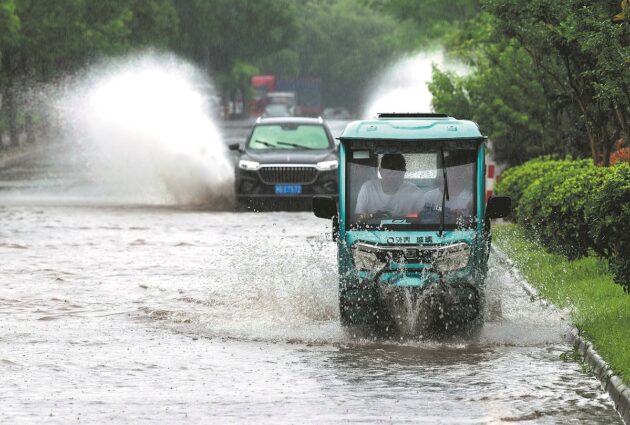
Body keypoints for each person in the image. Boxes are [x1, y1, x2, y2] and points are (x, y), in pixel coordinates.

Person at [355, 153, 425, 220]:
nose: (394, 176)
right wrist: (373, 216)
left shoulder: (415, 193)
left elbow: (420, 217)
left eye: (398, 173)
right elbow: (358, 217)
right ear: (381, 171)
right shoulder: (368, 188)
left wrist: (406, 217)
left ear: (404, 172)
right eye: (390, 172)